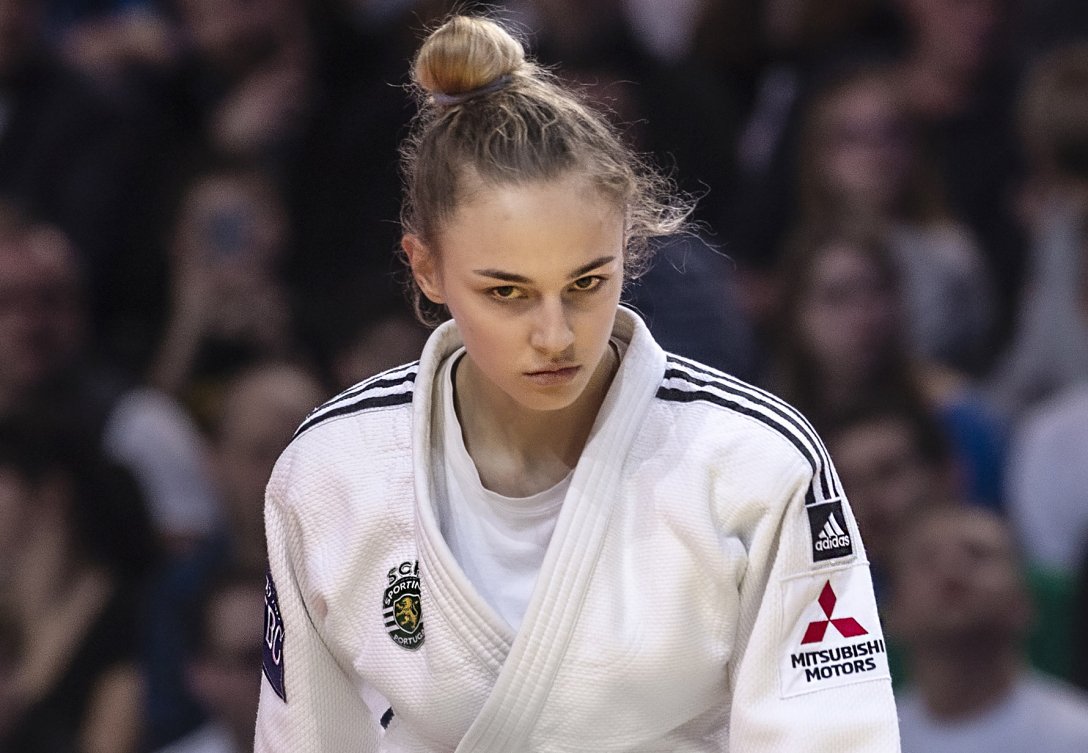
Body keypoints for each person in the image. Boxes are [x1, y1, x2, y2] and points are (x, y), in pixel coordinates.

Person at [254, 14, 900, 751]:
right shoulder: (333, 471)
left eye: (587, 283)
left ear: (628, 247)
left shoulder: (754, 462)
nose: (556, 335)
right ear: (427, 268)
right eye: (507, 292)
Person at [887, 506, 1088, 753]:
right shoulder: (867, 742)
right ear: (892, 612)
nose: (952, 570)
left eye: (977, 554)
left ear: (1024, 601)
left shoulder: (1079, 737)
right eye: (927, 560)